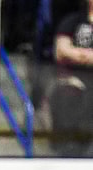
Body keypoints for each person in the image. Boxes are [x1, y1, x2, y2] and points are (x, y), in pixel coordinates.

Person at [49, 0, 93, 156]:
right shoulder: (72, 21)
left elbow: (69, 51)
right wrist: (86, 55)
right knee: (66, 94)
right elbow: (61, 50)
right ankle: (68, 152)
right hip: (74, 80)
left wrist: (78, 54)